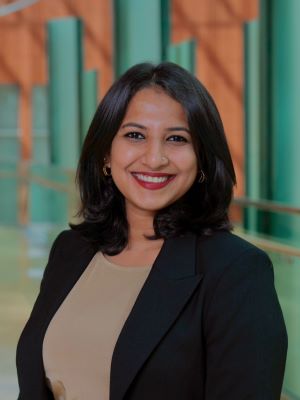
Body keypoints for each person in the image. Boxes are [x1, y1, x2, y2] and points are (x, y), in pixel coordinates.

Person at [16, 62, 287, 400]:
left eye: (177, 138)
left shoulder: (237, 272)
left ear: (202, 159)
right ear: (105, 153)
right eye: (135, 135)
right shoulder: (71, 249)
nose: (155, 158)